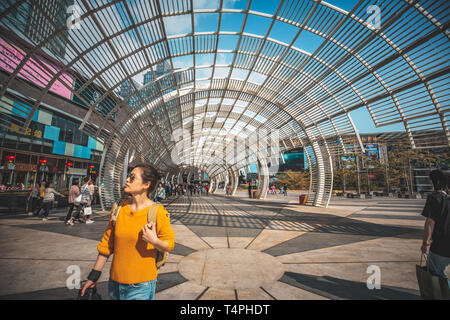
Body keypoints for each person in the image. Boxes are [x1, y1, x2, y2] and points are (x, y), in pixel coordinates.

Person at [80, 163, 175, 300]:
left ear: (146, 185)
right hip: (114, 284)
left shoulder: (157, 212)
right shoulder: (118, 208)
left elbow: (169, 244)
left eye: (132, 178)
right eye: (128, 177)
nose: (127, 180)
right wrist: (93, 276)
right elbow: (107, 245)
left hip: (141, 285)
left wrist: (154, 241)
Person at [421, 169, 450, 288]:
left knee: (436, 272)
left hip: (442, 243)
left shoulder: (435, 198)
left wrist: (426, 243)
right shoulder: (446, 198)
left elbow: (430, 222)